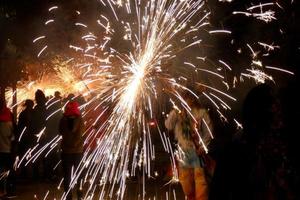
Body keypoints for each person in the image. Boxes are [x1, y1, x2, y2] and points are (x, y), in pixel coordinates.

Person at [165, 92, 213, 200]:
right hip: (183, 151)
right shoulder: (177, 113)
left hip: (197, 152)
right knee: (186, 183)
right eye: (185, 98)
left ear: (193, 99)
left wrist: (203, 146)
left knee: (200, 181)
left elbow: (208, 132)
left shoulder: (201, 113)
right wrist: (174, 112)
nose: (187, 100)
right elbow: (168, 125)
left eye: (189, 98)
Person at [59, 101, 84, 200]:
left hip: (66, 151)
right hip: (77, 151)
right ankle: (80, 196)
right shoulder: (80, 120)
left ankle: (68, 197)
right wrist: (75, 144)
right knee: (79, 174)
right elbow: (81, 133)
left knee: (67, 176)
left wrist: (68, 142)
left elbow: (60, 131)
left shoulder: (63, 119)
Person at [0, 98, 16, 198]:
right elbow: (14, 134)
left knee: (1, 170)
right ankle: (8, 191)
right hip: (8, 148)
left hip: (1, 149)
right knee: (8, 170)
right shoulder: (9, 115)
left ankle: (2, 190)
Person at [17, 99, 34, 178]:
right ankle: (28, 173)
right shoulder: (32, 113)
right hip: (29, 137)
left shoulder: (23, 113)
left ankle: (24, 172)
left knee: (24, 154)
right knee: (28, 155)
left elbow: (20, 126)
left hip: (25, 137)